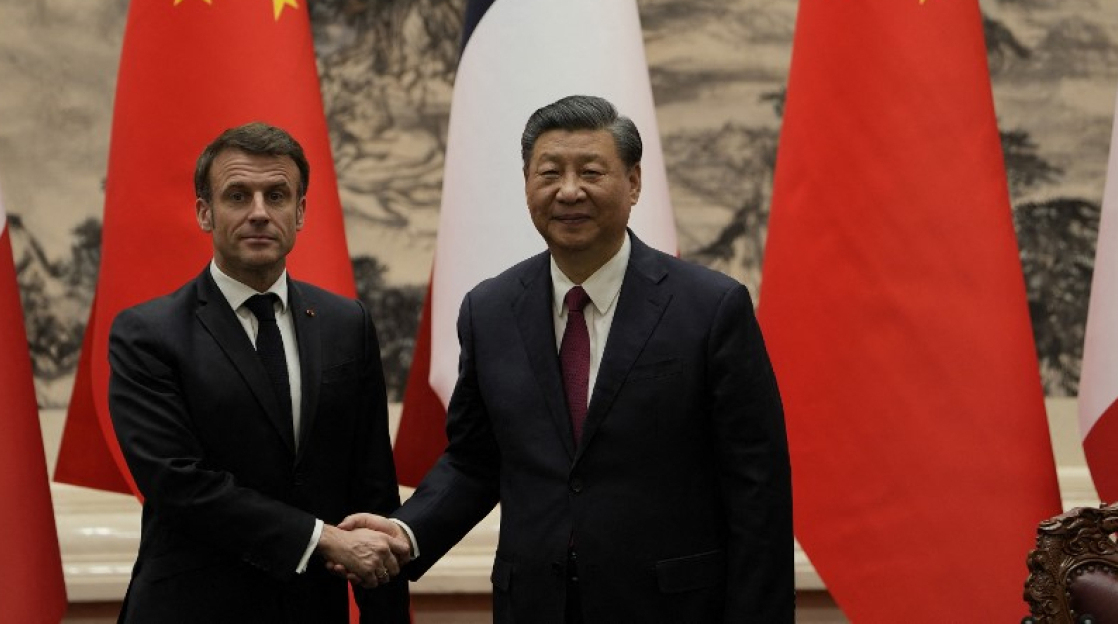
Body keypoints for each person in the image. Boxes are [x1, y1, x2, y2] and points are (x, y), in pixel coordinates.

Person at [343, 95, 793, 622]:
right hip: (535, 604)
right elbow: (474, 460)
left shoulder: (710, 308)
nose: (569, 190)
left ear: (634, 183)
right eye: (550, 172)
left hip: (673, 606)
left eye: (592, 171)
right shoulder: (489, 311)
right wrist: (406, 531)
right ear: (528, 184)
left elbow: (757, 487)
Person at [108, 122, 410, 623]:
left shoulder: (346, 324)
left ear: (301, 211)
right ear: (205, 213)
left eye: (276, 195)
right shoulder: (148, 334)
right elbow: (179, 484)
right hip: (192, 610)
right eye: (237, 196)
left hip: (312, 610)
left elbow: (372, 489)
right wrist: (321, 539)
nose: (259, 214)